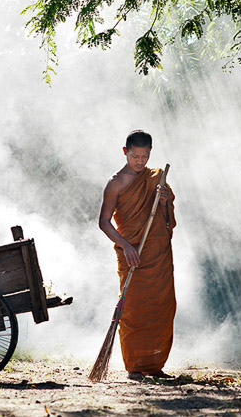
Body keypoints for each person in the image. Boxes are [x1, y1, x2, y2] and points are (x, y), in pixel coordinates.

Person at [98, 130, 177, 380]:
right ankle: (134, 366)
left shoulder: (156, 178)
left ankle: (154, 365)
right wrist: (126, 245)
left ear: (150, 153)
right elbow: (104, 222)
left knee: (161, 308)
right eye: (135, 156)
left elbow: (166, 219)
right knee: (133, 310)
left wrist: (164, 200)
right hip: (132, 255)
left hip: (156, 254)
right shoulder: (115, 183)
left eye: (144, 156)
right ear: (125, 152)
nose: (140, 162)